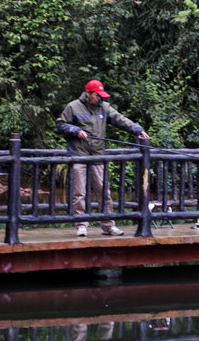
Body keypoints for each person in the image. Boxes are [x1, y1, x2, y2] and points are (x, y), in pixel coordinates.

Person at [58, 79, 149, 236]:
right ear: (88, 93)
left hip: (98, 155)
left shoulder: (104, 107)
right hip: (79, 155)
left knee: (104, 192)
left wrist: (137, 130)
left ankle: (108, 225)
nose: (100, 98)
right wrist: (75, 130)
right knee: (79, 193)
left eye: (101, 95)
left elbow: (121, 119)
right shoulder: (73, 106)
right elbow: (61, 124)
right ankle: (81, 225)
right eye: (97, 95)